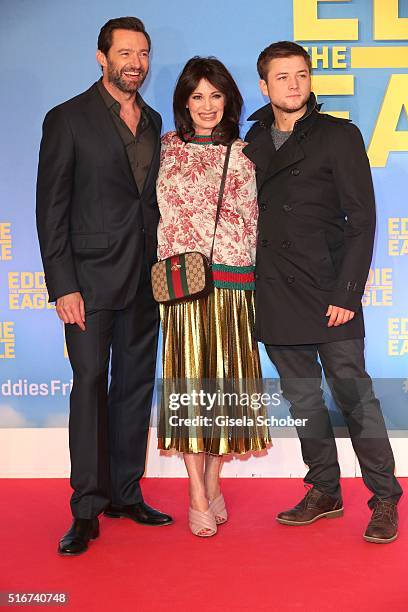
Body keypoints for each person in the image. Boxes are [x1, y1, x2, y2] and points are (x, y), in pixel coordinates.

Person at [244, 41, 402, 543]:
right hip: (274, 291)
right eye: (282, 77)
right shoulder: (249, 143)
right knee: (304, 399)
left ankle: (384, 500)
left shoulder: (339, 135)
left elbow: (362, 219)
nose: (294, 84)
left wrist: (347, 293)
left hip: (330, 292)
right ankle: (324, 491)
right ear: (264, 85)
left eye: (301, 74)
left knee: (355, 396)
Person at [36, 17, 172, 557]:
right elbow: (52, 211)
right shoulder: (66, 119)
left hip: (145, 281)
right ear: (101, 57)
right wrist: (62, 284)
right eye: (124, 53)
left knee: (135, 387)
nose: (135, 62)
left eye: (142, 53)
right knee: (90, 386)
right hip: (88, 283)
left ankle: (125, 493)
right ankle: (86, 508)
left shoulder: (157, 120)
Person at [156, 57, 271, 537]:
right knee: (188, 390)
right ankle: (195, 491)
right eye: (197, 96)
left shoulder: (247, 154)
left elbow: (257, 224)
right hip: (183, 289)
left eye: (216, 95)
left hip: (233, 287)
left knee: (225, 391)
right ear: (185, 101)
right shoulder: (164, 149)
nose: (207, 106)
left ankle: (214, 480)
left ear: (229, 100)